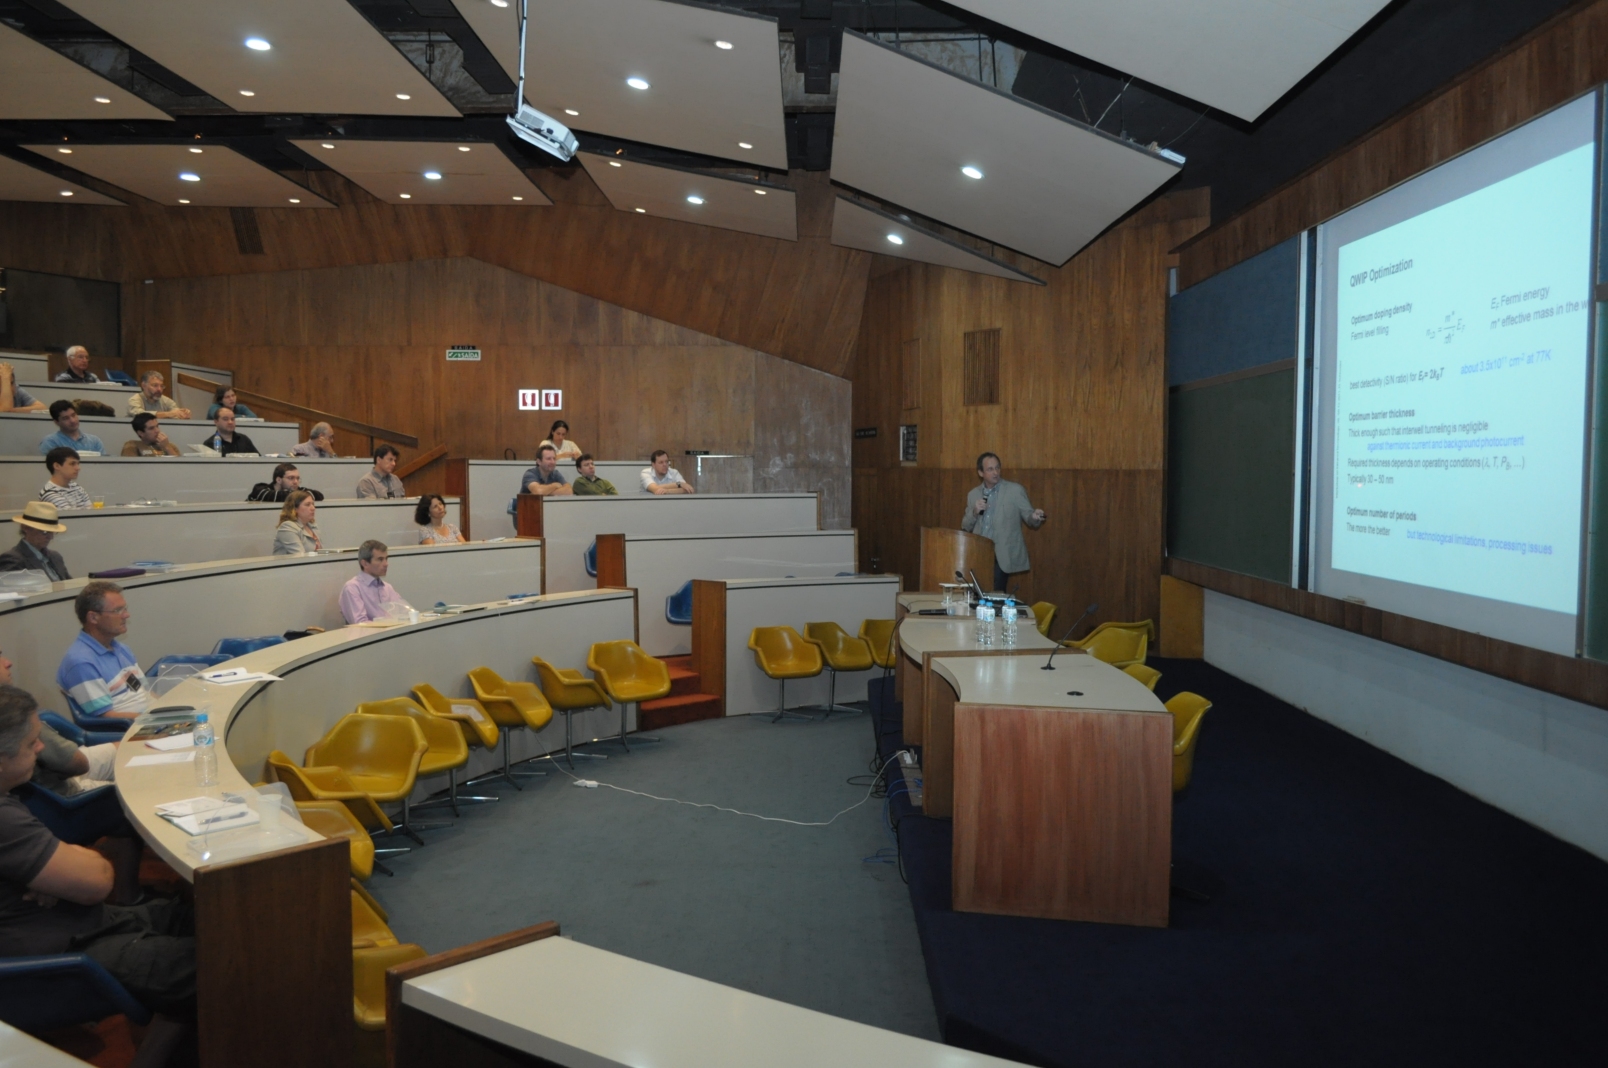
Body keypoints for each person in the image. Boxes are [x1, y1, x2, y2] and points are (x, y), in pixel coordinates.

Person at [0, 685, 195, 1009]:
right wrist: (76, 864)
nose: (40, 747)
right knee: (226, 964)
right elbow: (97, 884)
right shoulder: (5, 820)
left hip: (71, 921)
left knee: (193, 917)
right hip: (60, 953)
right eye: (30, 742)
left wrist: (51, 875)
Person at [57, 582, 147, 721]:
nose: (126, 615)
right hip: (127, 731)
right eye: (117, 610)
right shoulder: (81, 662)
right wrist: (153, 718)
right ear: (93, 617)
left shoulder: (121, 649)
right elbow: (106, 717)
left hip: (147, 720)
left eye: (125, 609)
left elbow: (145, 692)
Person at [961, 452, 1046, 592]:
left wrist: (1035, 517)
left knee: (995, 593)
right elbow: (965, 526)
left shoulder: (1014, 490)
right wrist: (974, 512)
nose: (995, 472)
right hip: (980, 553)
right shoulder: (973, 495)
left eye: (997, 468)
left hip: (1002, 554)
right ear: (980, 473)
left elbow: (1029, 516)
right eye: (990, 469)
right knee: (977, 594)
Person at [339, 541, 409, 624]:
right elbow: (360, 624)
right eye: (380, 559)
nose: (386, 564)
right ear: (365, 563)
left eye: (386, 559)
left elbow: (405, 614)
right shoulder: (352, 588)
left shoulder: (387, 587)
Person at [0, 502, 69, 580]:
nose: (50, 537)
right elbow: (10, 590)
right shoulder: (13, 559)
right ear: (26, 528)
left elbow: (69, 585)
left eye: (52, 532)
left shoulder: (55, 557)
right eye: (44, 532)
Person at [38, 400, 106, 456]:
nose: (72, 421)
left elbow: (103, 466)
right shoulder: (50, 442)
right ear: (56, 422)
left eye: (73, 415)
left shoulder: (94, 441)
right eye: (66, 418)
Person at [125, 371, 191, 420]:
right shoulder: (135, 399)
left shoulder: (166, 401)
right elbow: (140, 414)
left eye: (161, 386)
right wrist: (169, 414)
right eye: (155, 385)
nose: (159, 389)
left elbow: (176, 413)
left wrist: (183, 414)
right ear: (143, 385)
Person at [272, 490, 321, 555]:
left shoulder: (312, 526)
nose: (313, 508)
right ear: (294, 508)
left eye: (313, 504)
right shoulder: (287, 527)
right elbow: (300, 556)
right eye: (307, 505)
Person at [248, 463, 323, 503]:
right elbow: (273, 496)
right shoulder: (260, 489)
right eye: (291, 478)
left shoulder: (296, 490)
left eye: (297, 478)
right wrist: (299, 496)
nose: (296, 482)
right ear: (278, 480)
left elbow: (318, 495)